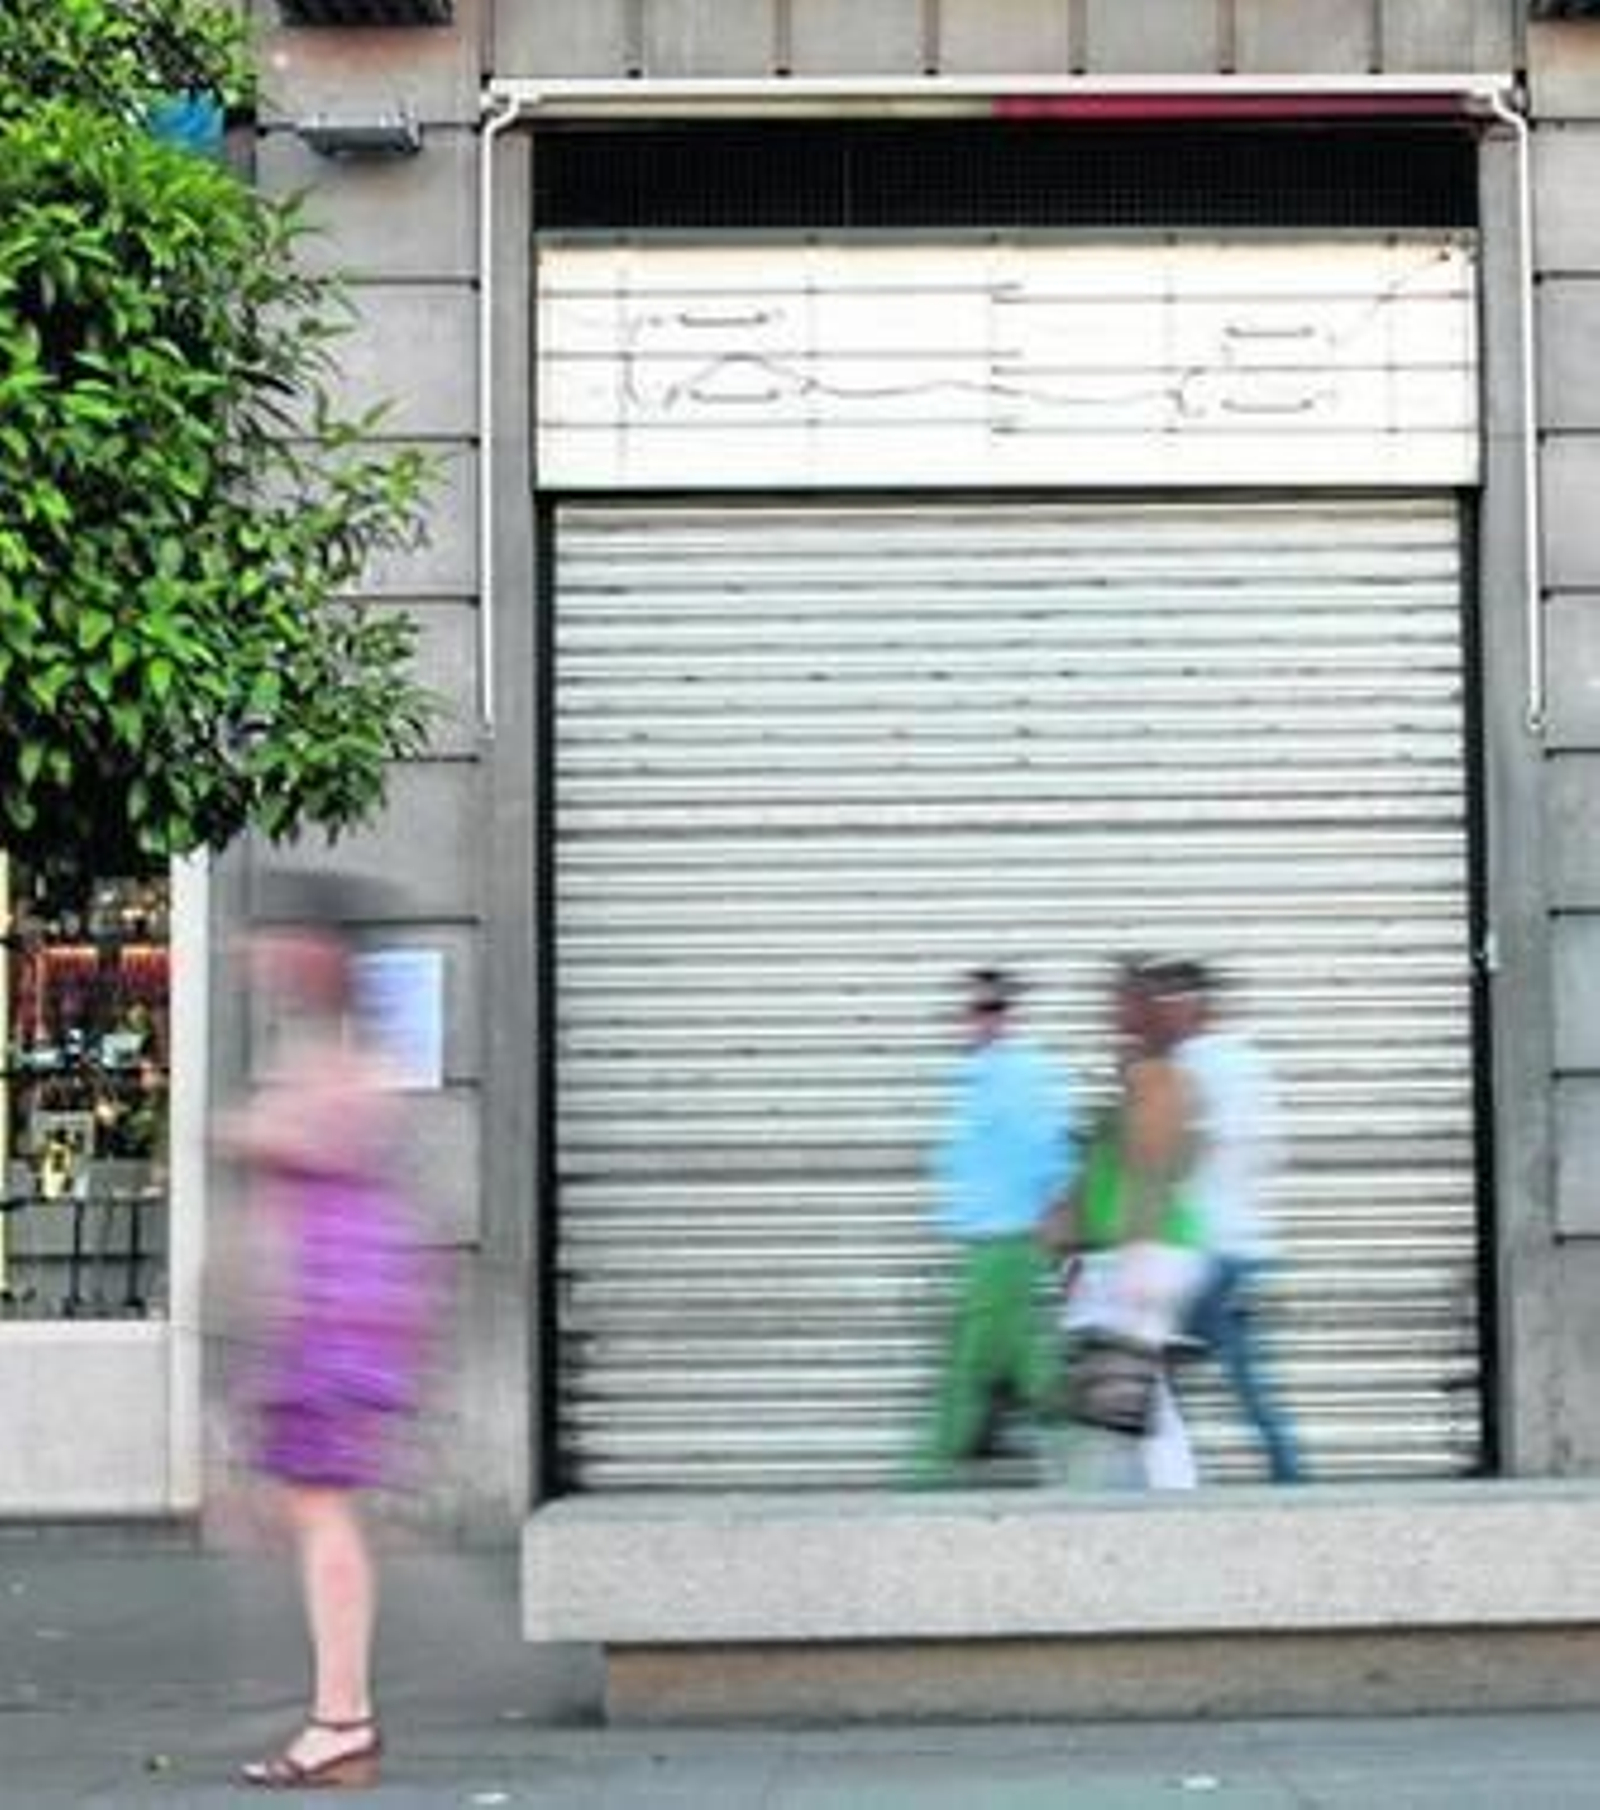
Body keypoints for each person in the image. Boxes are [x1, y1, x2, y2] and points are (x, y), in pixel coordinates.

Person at [215, 873, 436, 1790]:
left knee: (323, 1510)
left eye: (281, 942)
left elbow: (322, 1140)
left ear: (321, 954)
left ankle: (342, 1719)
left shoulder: (346, 1056)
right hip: (333, 1308)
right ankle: (340, 1714)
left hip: (338, 1312)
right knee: (317, 1509)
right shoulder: (335, 1049)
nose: (261, 957)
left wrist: (253, 1133)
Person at [1048, 957, 1207, 1490]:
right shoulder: (1140, 1074)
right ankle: (1158, 1493)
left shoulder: (1156, 1076)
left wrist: (1137, 1255)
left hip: (1150, 1249)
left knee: (1134, 1381)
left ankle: (1168, 1497)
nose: (1110, 1010)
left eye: (1119, 999)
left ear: (1140, 1008)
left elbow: (1154, 1167)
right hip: (1130, 1250)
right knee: (1136, 1382)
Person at [915, 967, 1076, 1485]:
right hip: (985, 1239)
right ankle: (1085, 1451)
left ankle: (924, 1481)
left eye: (992, 1009)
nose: (982, 1019)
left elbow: (1050, 1149)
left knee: (972, 1366)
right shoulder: (971, 1074)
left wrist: (1053, 1215)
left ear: (1009, 1015)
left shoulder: (1022, 1072)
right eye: (975, 1008)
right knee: (1021, 1359)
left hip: (1009, 1239)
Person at [1167, 959, 1303, 1485]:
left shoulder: (1188, 1064)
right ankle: (1290, 1477)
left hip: (1205, 1249)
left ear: (1192, 1007)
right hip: (1244, 1245)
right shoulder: (1251, 1062)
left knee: (1150, 1355)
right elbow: (1275, 1152)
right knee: (1242, 1376)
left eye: (1172, 1003)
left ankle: (1156, 1474)